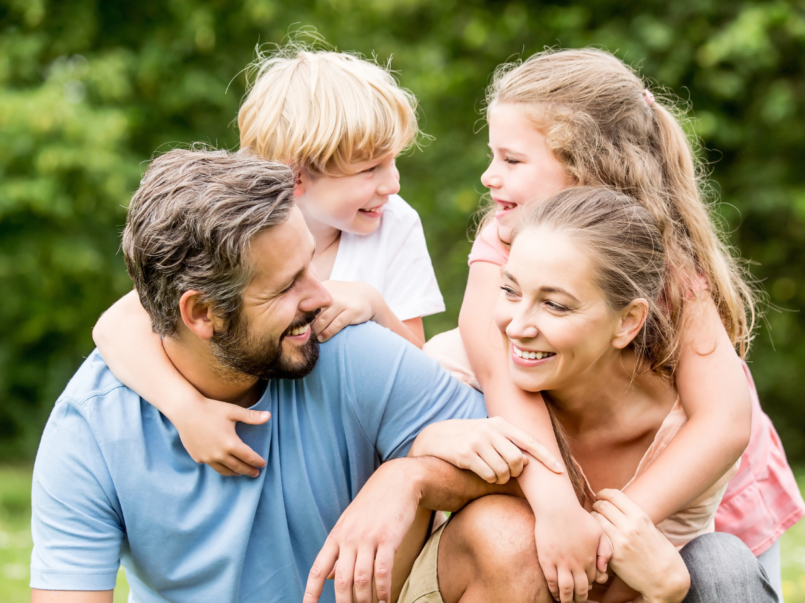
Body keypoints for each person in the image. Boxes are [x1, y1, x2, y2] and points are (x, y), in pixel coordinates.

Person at [30, 148, 541, 603]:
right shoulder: (92, 428)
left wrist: (410, 477)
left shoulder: (346, 346)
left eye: (310, 266)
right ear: (202, 314)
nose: (321, 297)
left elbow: (529, 472)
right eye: (285, 287)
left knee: (508, 537)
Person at [425, 48, 803, 601]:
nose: (489, 176)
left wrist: (612, 531)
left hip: (701, 484)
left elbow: (721, 422)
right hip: (585, 473)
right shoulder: (505, 237)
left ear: (583, 165)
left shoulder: (665, 256)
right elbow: (500, 370)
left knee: (723, 571)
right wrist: (557, 510)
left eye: (512, 160)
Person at [395, 187, 779, 603]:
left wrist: (664, 594)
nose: (517, 326)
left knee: (723, 564)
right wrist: (420, 450)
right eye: (509, 291)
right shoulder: (456, 373)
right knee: (505, 530)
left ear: (628, 322)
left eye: (555, 305)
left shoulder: (689, 435)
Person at [92, 44, 445, 477]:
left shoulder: (394, 223)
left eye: (393, 161)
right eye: (370, 169)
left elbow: (421, 376)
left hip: (352, 462)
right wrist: (187, 411)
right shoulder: (235, 226)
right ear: (296, 177)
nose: (392, 183)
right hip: (258, 449)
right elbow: (114, 327)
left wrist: (375, 304)